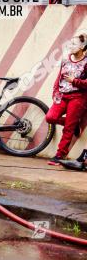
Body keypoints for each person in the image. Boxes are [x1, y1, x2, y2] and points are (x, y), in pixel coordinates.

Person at [46, 31, 87, 166]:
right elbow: (59, 77)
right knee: (50, 117)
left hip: (78, 97)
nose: (70, 46)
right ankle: (74, 124)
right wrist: (55, 91)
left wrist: (74, 81)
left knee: (68, 127)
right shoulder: (66, 58)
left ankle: (59, 155)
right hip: (62, 96)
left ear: (82, 47)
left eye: (74, 44)